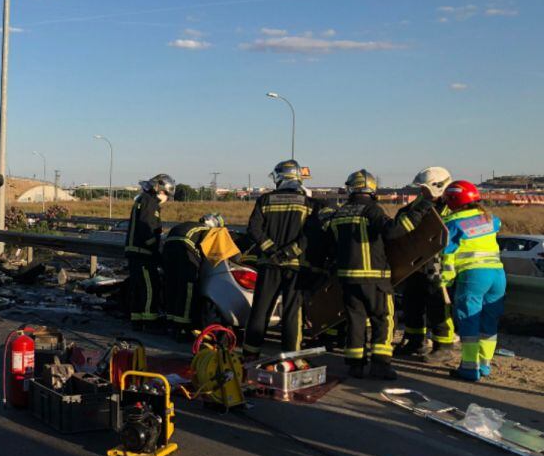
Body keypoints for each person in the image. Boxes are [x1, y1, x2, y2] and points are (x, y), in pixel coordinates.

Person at [326, 169, 431, 380]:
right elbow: (393, 230)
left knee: (355, 320)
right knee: (383, 319)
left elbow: (331, 245)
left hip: (347, 278)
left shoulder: (339, 213)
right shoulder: (371, 210)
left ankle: (355, 365)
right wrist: (420, 210)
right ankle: (380, 365)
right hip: (373, 277)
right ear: (372, 188)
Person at [243, 160, 323, 358]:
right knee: (292, 312)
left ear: (280, 177)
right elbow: (311, 235)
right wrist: (290, 252)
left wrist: (271, 250)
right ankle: (290, 357)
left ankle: (250, 353)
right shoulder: (309, 203)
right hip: (295, 266)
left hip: (269, 264)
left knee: (261, 309)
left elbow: (254, 229)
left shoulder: (264, 200)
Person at [440, 180, 505, 382]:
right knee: (489, 321)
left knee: (469, 321)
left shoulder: (451, 224)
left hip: (473, 276)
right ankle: (484, 365)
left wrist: (445, 281)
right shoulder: (490, 218)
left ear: (452, 200)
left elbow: (447, 257)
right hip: (497, 275)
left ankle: (469, 369)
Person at [394, 167, 456, 362]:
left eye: (425, 189)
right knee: (412, 301)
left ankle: (443, 346)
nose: (422, 192)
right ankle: (415, 341)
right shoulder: (418, 205)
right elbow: (403, 220)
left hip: (439, 264)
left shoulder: (451, 207)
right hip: (416, 262)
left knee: (438, 304)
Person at [125, 174, 175, 331]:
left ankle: (137, 321)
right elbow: (147, 228)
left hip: (137, 252)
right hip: (143, 253)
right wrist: (155, 249)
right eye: (166, 194)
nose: (166, 198)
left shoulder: (143, 200)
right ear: (159, 189)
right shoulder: (150, 202)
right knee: (150, 287)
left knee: (138, 288)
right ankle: (149, 322)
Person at [162, 213, 224, 338]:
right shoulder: (207, 230)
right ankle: (182, 327)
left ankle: (170, 323)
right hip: (184, 249)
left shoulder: (190, 225)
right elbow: (212, 254)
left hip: (168, 248)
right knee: (188, 287)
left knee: (172, 285)